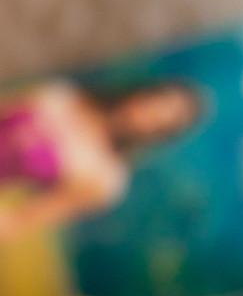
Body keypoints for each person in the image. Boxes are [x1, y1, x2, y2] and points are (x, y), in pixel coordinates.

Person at [0, 78, 205, 240]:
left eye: (163, 117)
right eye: (159, 100)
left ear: (163, 133)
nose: (151, 111)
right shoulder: (68, 94)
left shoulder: (106, 178)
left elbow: (19, 221)